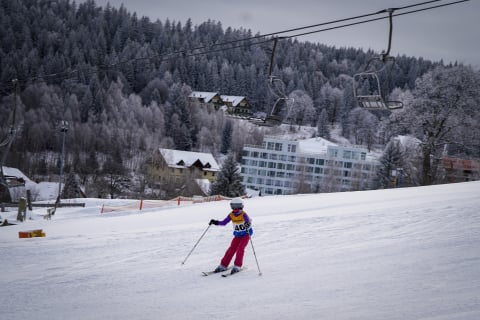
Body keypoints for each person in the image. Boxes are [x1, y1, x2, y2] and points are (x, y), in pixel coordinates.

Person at [209, 197, 253, 274]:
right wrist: (215, 222)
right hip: (237, 235)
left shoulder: (243, 214)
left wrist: (247, 223)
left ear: (241, 206)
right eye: (233, 206)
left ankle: (237, 265)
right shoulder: (231, 215)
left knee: (240, 249)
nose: (235, 208)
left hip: (246, 234)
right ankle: (223, 265)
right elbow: (224, 222)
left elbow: (248, 221)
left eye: (237, 206)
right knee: (231, 249)